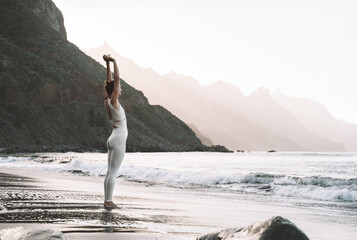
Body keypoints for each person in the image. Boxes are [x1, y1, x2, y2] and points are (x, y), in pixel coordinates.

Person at [102, 54, 128, 210]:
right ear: (115, 91)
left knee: (110, 171)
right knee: (113, 172)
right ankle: (108, 201)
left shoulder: (107, 101)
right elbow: (116, 81)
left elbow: (110, 83)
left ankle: (107, 200)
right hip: (117, 140)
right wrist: (114, 61)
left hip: (113, 138)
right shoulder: (113, 101)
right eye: (118, 88)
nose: (120, 88)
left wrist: (107, 66)